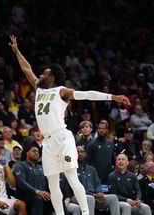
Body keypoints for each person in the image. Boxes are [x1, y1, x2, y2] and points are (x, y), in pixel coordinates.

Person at [9, 35, 130, 215]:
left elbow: (86, 94)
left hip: (62, 137)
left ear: (53, 77)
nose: (41, 74)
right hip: (48, 142)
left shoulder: (62, 91)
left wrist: (112, 97)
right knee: (52, 182)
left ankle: (85, 212)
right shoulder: (40, 89)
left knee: (72, 178)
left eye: (45, 73)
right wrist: (17, 51)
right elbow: (27, 69)